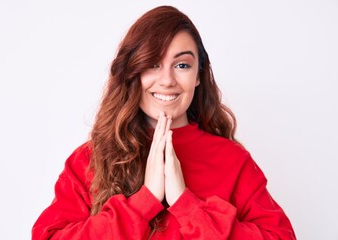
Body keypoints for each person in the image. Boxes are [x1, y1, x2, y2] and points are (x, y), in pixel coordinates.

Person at [32, 5, 296, 239]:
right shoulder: (89, 159)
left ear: (198, 76)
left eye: (182, 65)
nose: (167, 80)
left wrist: (186, 204)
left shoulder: (233, 161)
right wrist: (144, 201)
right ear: (132, 72)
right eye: (153, 64)